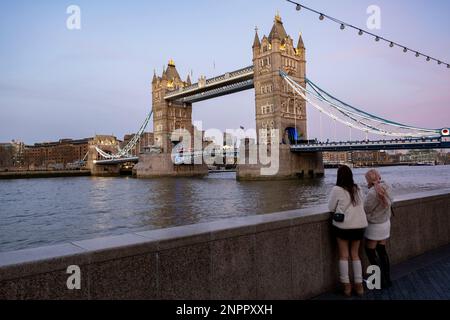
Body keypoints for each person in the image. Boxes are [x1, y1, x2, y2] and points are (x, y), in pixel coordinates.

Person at [328, 165, 368, 297]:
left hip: (343, 227)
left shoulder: (337, 189)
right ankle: (359, 286)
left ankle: (346, 286)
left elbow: (330, 207)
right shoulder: (358, 188)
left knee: (344, 256)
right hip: (359, 226)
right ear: (350, 175)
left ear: (339, 176)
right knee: (355, 255)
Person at [364, 169, 393, 289]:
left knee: (370, 252)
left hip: (374, 226)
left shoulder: (371, 193)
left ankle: (378, 280)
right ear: (379, 176)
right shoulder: (388, 186)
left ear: (368, 180)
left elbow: (365, 209)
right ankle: (387, 279)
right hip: (385, 223)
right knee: (382, 251)